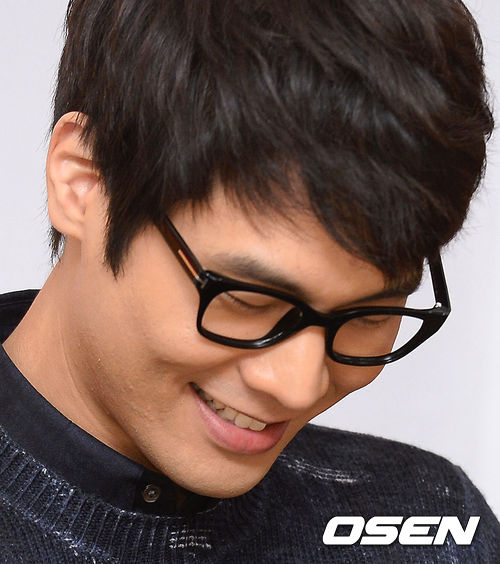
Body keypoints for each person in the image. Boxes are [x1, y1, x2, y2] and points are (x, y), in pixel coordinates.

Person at [0, 0, 498, 561]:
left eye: (370, 315)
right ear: (84, 183)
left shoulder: (434, 526)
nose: (298, 386)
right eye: (247, 299)